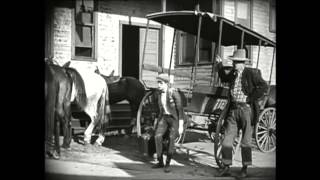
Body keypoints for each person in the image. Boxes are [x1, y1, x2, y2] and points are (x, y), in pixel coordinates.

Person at [217, 49, 268, 177]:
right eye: (234, 62)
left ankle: (244, 169)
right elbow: (224, 78)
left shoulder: (251, 73)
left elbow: (263, 86)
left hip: (246, 110)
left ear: (242, 63)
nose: (234, 64)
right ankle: (226, 167)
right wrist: (219, 65)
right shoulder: (233, 74)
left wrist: (250, 98)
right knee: (227, 140)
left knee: (245, 142)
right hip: (233, 110)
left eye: (236, 62)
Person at [152, 73, 185, 173]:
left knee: (171, 138)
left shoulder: (173, 93)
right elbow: (160, 109)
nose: (158, 85)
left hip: (175, 118)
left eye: (161, 83)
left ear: (166, 83)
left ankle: (168, 163)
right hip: (165, 118)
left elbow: (180, 110)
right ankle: (160, 161)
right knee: (157, 136)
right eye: (158, 83)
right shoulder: (158, 94)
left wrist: (181, 126)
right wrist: (157, 120)